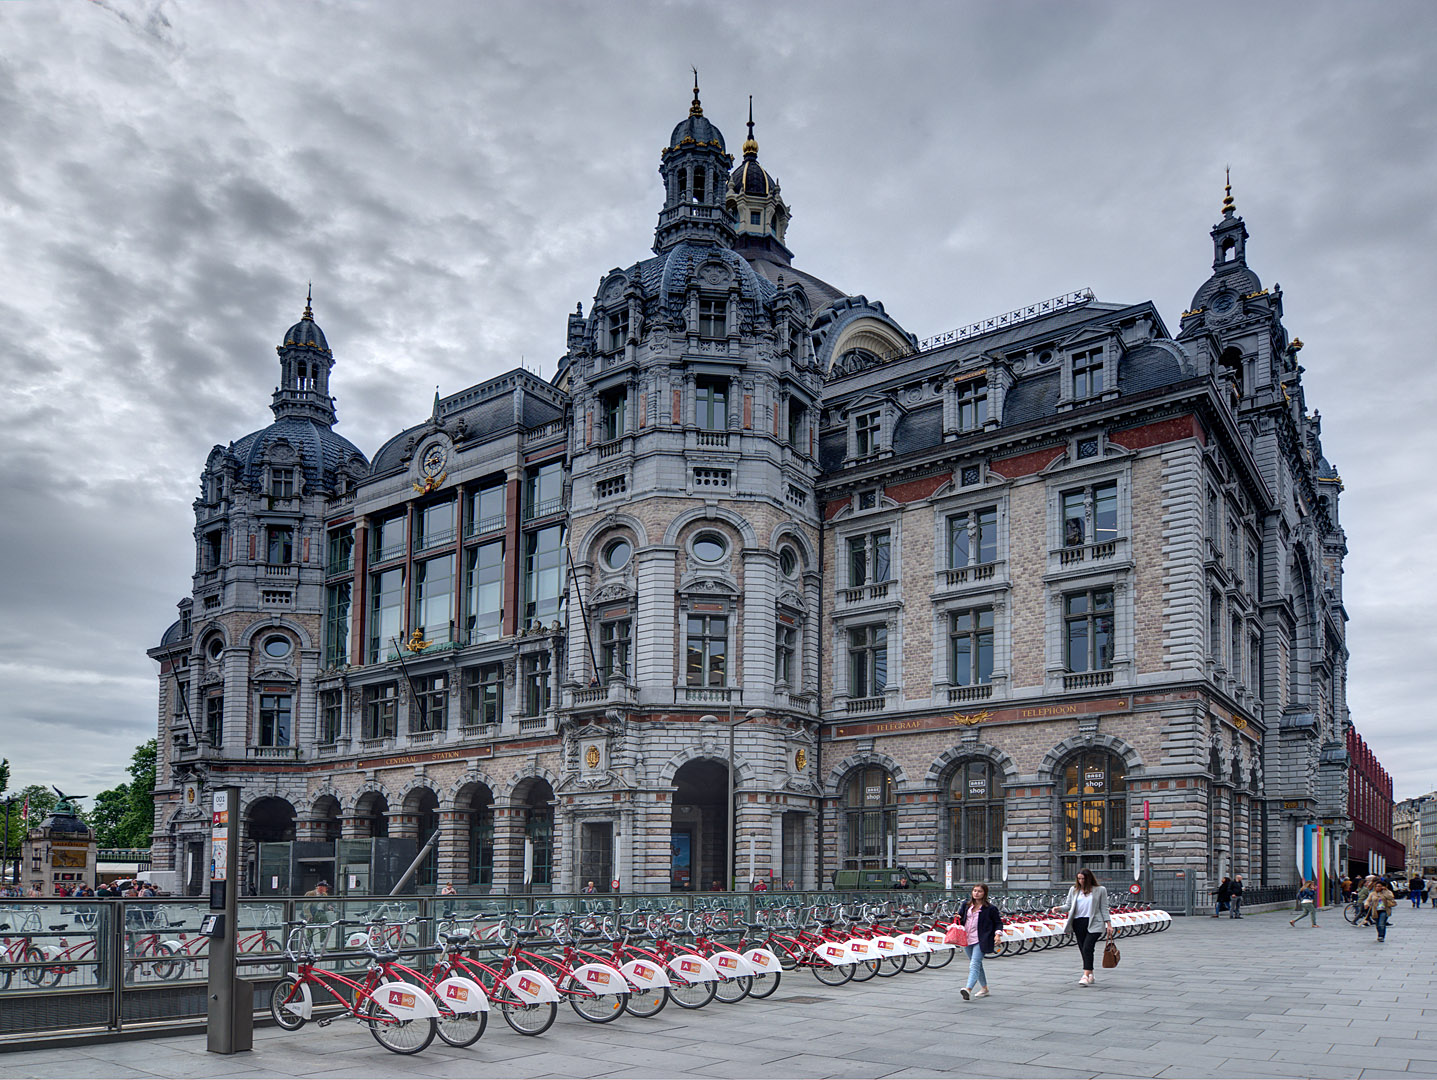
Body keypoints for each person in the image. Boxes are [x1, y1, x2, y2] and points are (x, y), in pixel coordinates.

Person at [1063, 868, 1113, 986]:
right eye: (1079, 879)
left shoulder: (1100, 890)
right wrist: (1059, 909)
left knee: (1087, 947)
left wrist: (1108, 924)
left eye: (1083, 879)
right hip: (1078, 922)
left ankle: (1085, 975)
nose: (1081, 881)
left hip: (1094, 922)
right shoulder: (1074, 890)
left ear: (1089, 878)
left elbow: (1104, 908)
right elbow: (1068, 905)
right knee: (1083, 948)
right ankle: (1090, 973)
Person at [956, 882, 1002, 1001]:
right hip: (966, 938)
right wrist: (957, 917)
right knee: (977, 964)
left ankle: (968, 989)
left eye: (979, 891)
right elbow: (960, 918)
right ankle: (985, 988)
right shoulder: (966, 905)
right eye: (975, 890)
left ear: (984, 893)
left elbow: (998, 922)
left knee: (974, 964)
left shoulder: (990, 908)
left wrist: (997, 934)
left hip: (981, 939)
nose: (976, 893)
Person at [1366, 878, 1396, 943]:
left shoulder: (1387, 892)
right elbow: (1368, 900)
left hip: (1384, 910)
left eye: (1379, 886)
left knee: (1381, 923)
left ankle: (1381, 936)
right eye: (1376, 886)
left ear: (1383, 886)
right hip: (1375, 911)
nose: (1377, 887)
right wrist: (1366, 904)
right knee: (1377, 924)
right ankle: (1379, 934)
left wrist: (1385, 891)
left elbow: (1391, 897)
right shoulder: (1373, 893)